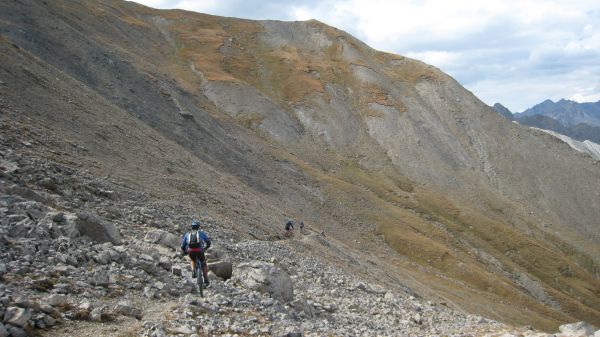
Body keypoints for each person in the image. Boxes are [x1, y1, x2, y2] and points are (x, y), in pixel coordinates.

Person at [181, 220, 211, 286]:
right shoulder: (201, 233)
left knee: (192, 260)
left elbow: (183, 245)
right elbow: (208, 242)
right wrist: (206, 247)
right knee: (203, 263)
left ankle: (193, 271)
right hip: (200, 250)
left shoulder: (187, 234)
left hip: (190, 251)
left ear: (192, 227)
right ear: (198, 227)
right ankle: (206, 279)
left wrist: (185, 251)